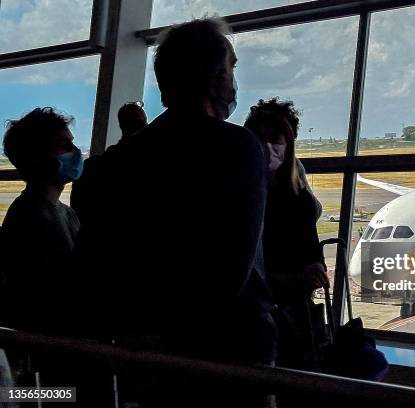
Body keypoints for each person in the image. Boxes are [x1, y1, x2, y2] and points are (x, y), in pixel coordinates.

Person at [71, 18, 275, 406]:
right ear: (216, 77)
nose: (233, 80)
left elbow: (96, 265)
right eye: (231, 67)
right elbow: (232, 268)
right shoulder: (235, 147)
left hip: (143, 354)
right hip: (225, 354)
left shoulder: (116, 163)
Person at [244, 98, 328, 370]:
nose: (269, 148)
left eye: (276, 140)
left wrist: (313, 271)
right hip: (271, 311)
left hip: (286, 313)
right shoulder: (289, 195)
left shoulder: (296, 197)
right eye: (262, 139)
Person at [0, 107, 82, 334]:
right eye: (64, 146)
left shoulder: (64, 213)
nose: (75, 151)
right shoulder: (31, 218)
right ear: (39, 156)